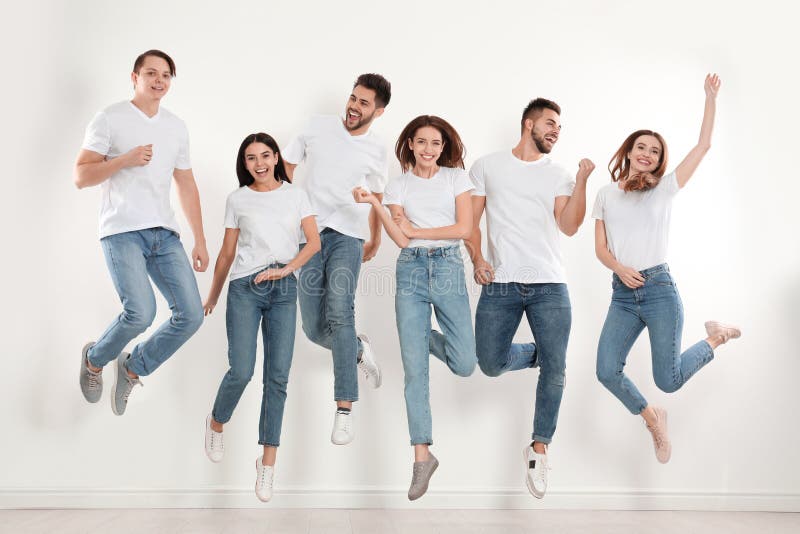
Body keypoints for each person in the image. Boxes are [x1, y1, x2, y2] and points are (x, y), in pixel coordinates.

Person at [593, 74, 740, 464]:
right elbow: (600, 249)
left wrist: (709, 98)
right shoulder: (606, 194)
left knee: (668, 380)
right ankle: (651, 418)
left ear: (660, 161)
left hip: (659, 291)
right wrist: (620, 268)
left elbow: (703, 145)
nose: (646, 153)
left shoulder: (665, 188)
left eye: (654, 151)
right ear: (628, 152)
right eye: (640, 147)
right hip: (622, 294)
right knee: (606, 371)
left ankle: (715, 338)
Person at [466, 98, 595, 499]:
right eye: (551, 123)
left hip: (549, 285)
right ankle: (546, 352)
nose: (556, 131)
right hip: (501, 282)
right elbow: (471, 222)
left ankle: (539, 449)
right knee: (488, 362)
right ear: (529, 123)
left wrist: (583, 181)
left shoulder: (557, 174)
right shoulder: (487, 166)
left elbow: (570, 226)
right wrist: (477, 258)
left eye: (560, 127)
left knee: (555, 371)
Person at [74, 49, 207, 416]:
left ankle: (133, 367)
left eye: (166, 75)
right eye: (152, 73)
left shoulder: (176, 126)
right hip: (122, 231)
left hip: (164, 234)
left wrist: (199, 238)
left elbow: (186, 183)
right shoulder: (110, 118)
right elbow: (81, 175)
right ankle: (94, 360)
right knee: (140, 314)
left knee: (192, 315)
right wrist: (123, 160)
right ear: (135, 77)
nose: (159, 80)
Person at [354, 115, 476, 500]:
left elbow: (464, 229)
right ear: (410, 144)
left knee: (464, 361)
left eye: (435, 144)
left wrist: (417, 229)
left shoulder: (457, 178)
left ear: (443, 147)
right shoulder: (397, 186)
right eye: (421, 142)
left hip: (448, 268)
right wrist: (376, 202)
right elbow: (401, 241)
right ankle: (422, 457)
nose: (428, 149)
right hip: (410, 272)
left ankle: (417, 337)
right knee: (414, 373)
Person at [202, 133, 319, 502]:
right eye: (251, 158)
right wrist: (213, 294)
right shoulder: (237, 198)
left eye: (265, 155)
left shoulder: (296, 195)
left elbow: (313, 242)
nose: (259, 163)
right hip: (245, 288)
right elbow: (226, 253)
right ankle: (217, 421)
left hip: (283, 289)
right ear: (245, 163)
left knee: (278, 378)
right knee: (241, 370)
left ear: (276, 157)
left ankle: (267, 464)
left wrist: (287, 272)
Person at [282, 74, 391, 445]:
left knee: (341, 312)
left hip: (348, 234)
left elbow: (378, 196)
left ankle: (344, 409)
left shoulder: (378, 149)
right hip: (308, 234)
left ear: (378, 111)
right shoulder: (317, 126)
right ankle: (358, 349)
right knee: (314, 329)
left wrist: (375, 237)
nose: (354, 107)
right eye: (352, 98)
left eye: (363, 103)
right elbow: (287, 168)